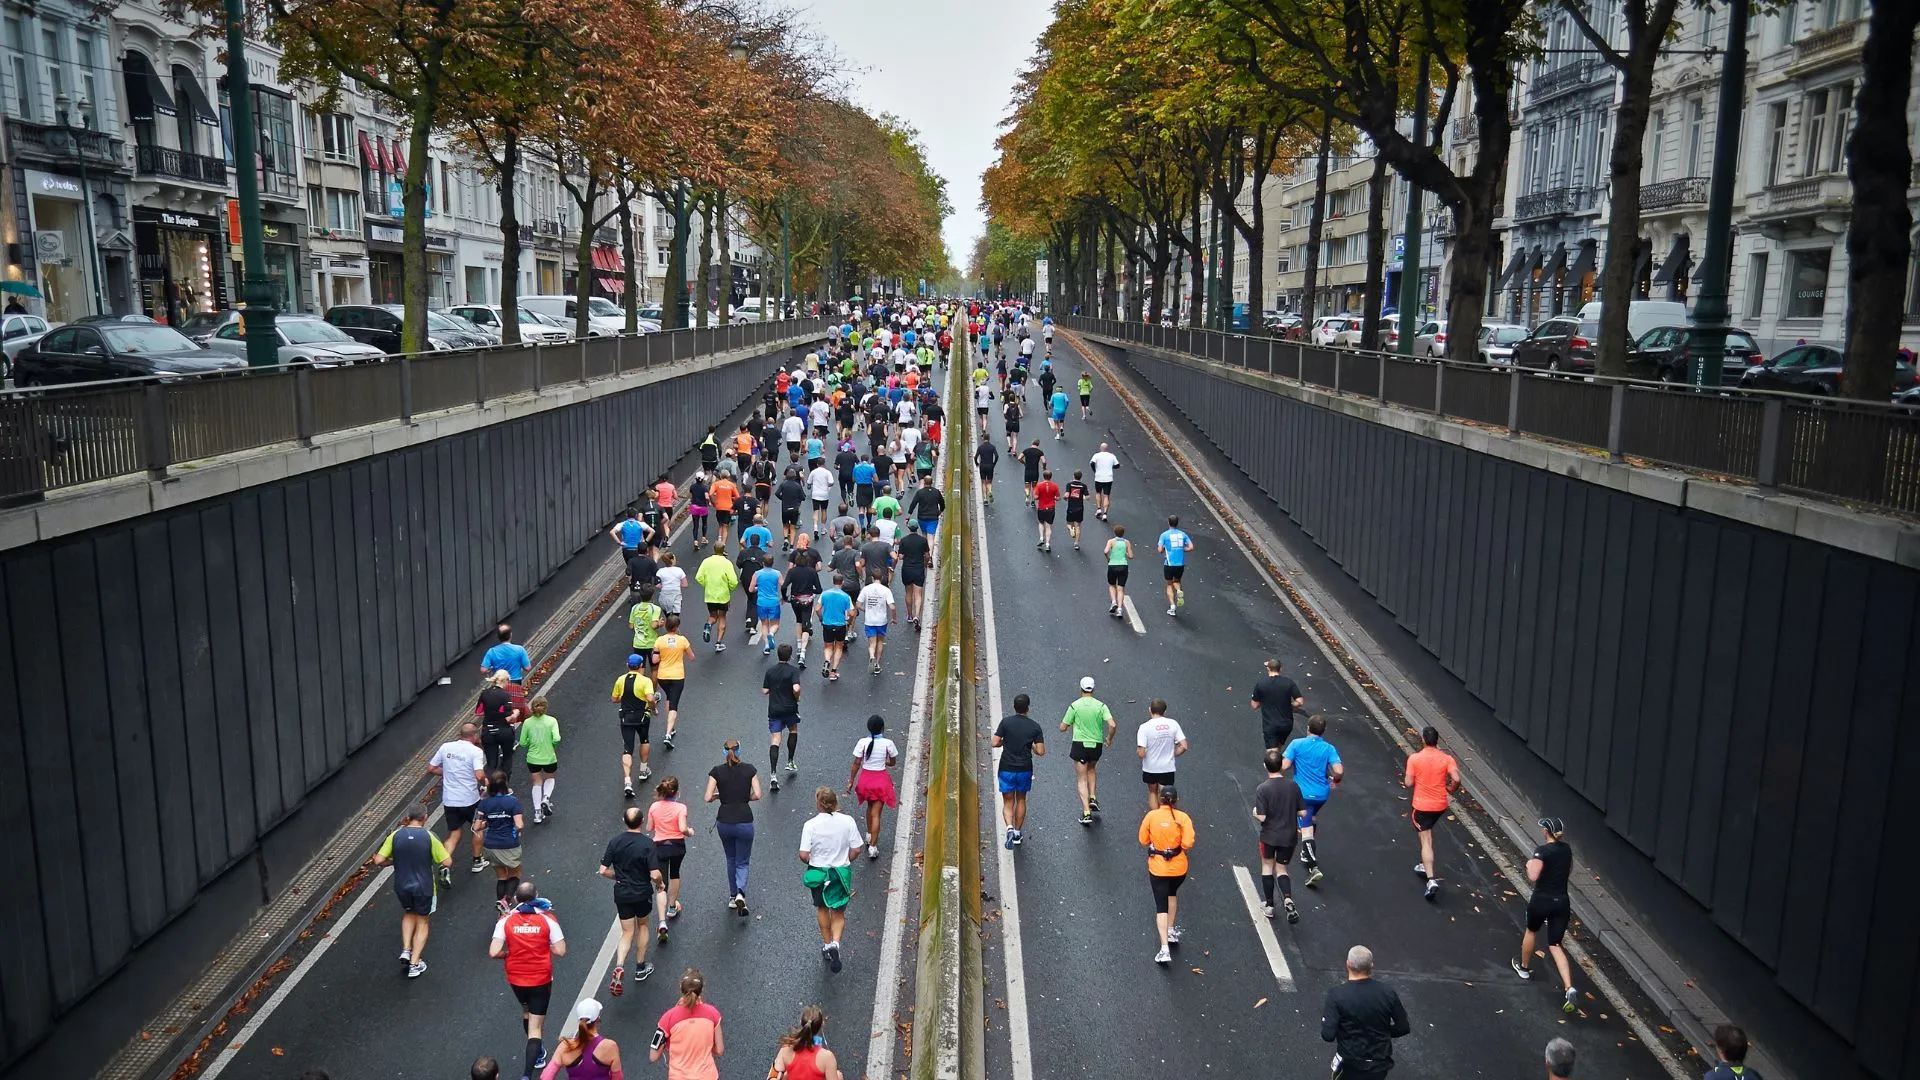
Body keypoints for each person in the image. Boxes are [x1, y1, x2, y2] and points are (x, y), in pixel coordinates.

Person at [491, 881, 567, 1080]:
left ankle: (539, 1053)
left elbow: (493, 951)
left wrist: (506, 954)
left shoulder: (505, 920)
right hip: (540, 978)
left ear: (516, 898)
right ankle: (527, 1073)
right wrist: (543, 945)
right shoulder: (548, 919)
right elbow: (560, 950)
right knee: (536, 1027)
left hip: (516, 978)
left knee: (526, 1012)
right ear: (537, 896)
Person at [1511, 816, 1579, 1013]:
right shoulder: (1566, 849)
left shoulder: (1542, 851)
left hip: (1542, 900)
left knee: (1531, 931)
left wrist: (1530, 863)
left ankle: (1523, 968)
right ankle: (1569, 987)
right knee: (1555, 945)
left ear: (1546, 832)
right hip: (1562, 902)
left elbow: (1533, 876)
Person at [373, 808, 451, 978]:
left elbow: (378, 860)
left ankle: (406, 949)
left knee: (409, 912)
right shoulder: (428, 836)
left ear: (407, 818)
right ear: (425, 818)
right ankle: (415, 964)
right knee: (423, 921)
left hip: (401, 885)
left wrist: (393, 861)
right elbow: (447, 861)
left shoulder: (395, 835)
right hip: (424, 886)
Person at [799, 787, 865, 973]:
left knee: (822, 908)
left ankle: (827, 945)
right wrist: (846, 861)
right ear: (835, 802)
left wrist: (814, 862)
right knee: (838, 911)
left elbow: (803, 854)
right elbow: (857, 849)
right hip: (840, 872)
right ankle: (836, 943)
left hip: (819, 872)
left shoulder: (810, 825)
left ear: (819, 804)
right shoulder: (848, 821)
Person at [601, 805, 665, 996]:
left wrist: (619, 877)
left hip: (622, 893)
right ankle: (640, 966)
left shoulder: (615, 842)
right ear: (642, 821)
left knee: (627, 932)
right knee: (643, 926)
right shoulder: (647, 844)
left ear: (624, 822)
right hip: (641, 892)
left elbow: (603, 870)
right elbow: (655, 874)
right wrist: (660, 885)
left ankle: (620, 965)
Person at [1320, 946, 1410, 1079]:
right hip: (1379, 1064)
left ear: (1348, 964)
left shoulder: (1337, 995)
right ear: (1371, 965)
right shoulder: (1388, 993)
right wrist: (1382, 1032)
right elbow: (1403, 1027)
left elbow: (1328, 1035)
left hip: (1350, 1062)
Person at [1281, 714, 1343, 886]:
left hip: (1302, 794)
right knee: (1311, 818)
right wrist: (1335, 780)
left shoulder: (1297, 744)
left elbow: (1284, 765)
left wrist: (1272, 766)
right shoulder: (1329, 748)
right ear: (1323, 732)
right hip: (1321, 795)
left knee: (1306, 829)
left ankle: (1313, 866)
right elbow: (1338, 770)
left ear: (1308, 728)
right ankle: (1305, 852)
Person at [1404, 726, 1461, 901]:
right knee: (1428, 832)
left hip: (1422, 806)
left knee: (1426, 840)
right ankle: (1423, 864)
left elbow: (1408, 782)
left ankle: (1430, 879)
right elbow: (1457, 779)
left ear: (1423, 739)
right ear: (1437, 740)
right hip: (1440, 805)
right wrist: (1450, 788)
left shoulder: (1415, 758)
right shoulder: (1447, 759)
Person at [1139, 785, 1195, 965]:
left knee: (1161, 905)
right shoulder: (1183, 818)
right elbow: (1188, 843)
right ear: (1176, 800)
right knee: (1172, 894)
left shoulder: (1151, 816)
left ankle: (1164, 949)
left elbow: (1143, 840)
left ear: (1161, 799)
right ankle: (1171, 930)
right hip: (1179, 868)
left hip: (1158, 868)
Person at [706, 740, 762, 915]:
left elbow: (707, 797)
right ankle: (740, 893)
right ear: (739, 751)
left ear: (724, 752)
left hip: (724, 822)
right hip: (744, 820)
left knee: (731, 858)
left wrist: (719, 796)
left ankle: (732, 896)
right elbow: (758, 795)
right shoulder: (750, 769)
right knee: (743, 861)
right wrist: (744, 797)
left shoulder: (716, 772)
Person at [429, 722, 489, 877]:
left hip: (450, 800)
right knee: (478, 827)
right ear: (475, 736)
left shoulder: (445, 747)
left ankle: (445, 865)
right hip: (470, 799)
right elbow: (479, 775)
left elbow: (432, 768)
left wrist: (448, 772)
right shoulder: (475, 752)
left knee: (454, 833)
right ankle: (477, 860)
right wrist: (486, 784)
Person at [1252, 747, 1305, 923]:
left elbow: (1262, 816)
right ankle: (1288, 898)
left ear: (1265, 766)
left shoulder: (1263, 789)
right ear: (1282, 764)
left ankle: (1269, 905)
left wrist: (1254, 812)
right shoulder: (1293, 786)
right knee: (1282, 869)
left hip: (1269, 836)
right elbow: (1303, 813)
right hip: (1289, 837)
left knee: (1267, 867)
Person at [1060, 676, 1116, 825]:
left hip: (1080, 744)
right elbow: (1112, 724)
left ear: (1081, 688)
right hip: (1096, 744)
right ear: (1093, 689)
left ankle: (1086, 812)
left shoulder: (1074, 706)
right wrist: (1109, 738)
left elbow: (1063, 727)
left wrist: (1072, 723)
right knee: (1092, 769)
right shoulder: (1101, 706)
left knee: (1081, 778)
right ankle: (1093, 797)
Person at [992, 694, 1046, 849]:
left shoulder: (1006, 723)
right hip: (1024, 769)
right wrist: (1032, 746)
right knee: (1021, 799)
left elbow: (994, 743)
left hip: (1006, 767)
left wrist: (1004, 741)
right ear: (1028, 707)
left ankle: (1009, 827)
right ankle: (1016, 832)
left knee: (1008, 801)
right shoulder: (1034, 726)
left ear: (1014, 707)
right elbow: (1041, 751)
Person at [651, 969, 724, 1080]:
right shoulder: (713, 1014)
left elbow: (653, 1056)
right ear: (702, 989)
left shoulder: (667, 1018)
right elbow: (719, 1050)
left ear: (680, 987)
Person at [845, 715, 898, 859]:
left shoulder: (862, 742)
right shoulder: (888, 743)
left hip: (865, 781)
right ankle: (873, 847)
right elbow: (893, 762)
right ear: (882, 728)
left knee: (869, 807)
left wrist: (851, 780)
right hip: (880, 781)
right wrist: (884, 762)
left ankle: (868, 834)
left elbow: (857, 762)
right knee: (876, 814)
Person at [647, 777, 691, 944]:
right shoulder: (681, 807)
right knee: (675, 874)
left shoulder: (654, 807)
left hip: (660, 847)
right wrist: (690, 831)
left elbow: (649, 828)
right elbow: (682, 828)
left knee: (661, 884)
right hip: (677, 846)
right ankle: (672, 907)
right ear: (676, 792)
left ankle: (661, 921)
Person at [476, 770, 526, 908]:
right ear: (505, 785)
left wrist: (489, 822)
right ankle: (506, 900)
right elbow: (519, 825)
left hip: (490, 846)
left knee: (501, 876)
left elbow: (477, 826)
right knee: (515, 874)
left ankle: (501, 909)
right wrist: (516, 831)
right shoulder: (512, 802)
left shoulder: (485, 803)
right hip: (509, 843)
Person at [539, 999, 620, 1080]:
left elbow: (546, 1076)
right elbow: (618, 1078)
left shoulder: (565, 1046)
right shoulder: (610, 1046)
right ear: (598, 1019)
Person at [613, 654, 659, 795]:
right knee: (644, 740)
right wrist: (653, 707)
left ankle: (627, 780)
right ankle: (643, 769)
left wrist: (625, 697)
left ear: (628, 665)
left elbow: (614, 699)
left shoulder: (621, 680)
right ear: (640, 666)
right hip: (642, 716)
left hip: (626, 717)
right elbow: (650, 698)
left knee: (627, 748)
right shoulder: (645, 681)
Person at [762, 644, 803, 789]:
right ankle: (790, 761)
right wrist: (797, 697)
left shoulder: (770, 671)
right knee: (793, 730)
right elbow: (796, 688)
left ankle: (773, 774)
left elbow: (765, 690)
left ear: (778, 655)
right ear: (790, 655)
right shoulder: (793, 671)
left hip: (774, 709)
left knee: (775, 740)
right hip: (790, 708)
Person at [1135, 699, 1188, 809]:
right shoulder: (1173, 724)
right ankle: (1168, 818)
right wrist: (1173, 754)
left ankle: (1155, 819)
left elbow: (1141, 752)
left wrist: (1142, 754)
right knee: (1166, 794)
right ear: (1165, 711)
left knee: (1153, 792)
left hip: (1151, 768)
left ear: (1150, 710)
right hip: (1167, 767)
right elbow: (1184, 746)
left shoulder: (1144, 727)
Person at [651, 615, 693, 749]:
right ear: (677, 627)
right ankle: (668, 734)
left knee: (669, 698)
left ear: (665, 626)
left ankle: (672, 727)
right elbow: (692, 657)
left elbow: (654, 660)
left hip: (663, 677)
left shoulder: (659, 640)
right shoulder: (682, 640)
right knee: (674, 705)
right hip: (677, 676)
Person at [767, 1007, 842, 1080]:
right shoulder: (827, 1057)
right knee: (838, 1075)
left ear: (801, 1022)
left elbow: (773, 1076)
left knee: (785, 1074)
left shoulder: (786, 1048)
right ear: (821, 1025)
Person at [518, 697, 561, 824]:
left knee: (536, 783)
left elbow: (522, 742)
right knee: (550, 778)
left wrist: (529, 744)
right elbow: (557, 738)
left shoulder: (527, 723)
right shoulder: (551, 721)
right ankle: (546, 798)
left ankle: (537, 812)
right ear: (546, 707)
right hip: (549, 756)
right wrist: (552, 744)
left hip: (533, 758)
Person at [1251, 658, 1306, 750]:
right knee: (1278, 748)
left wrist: (1264, 700)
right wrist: (1290, 705)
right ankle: (1277, 761)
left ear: (1268, 669)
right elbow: (1300, 701)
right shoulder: (1289, 682)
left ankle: (1273, 763)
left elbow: (1254, 705)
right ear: (1280, 669)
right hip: (1287, 724)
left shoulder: (1261, 684)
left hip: (1270, 724)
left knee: (1272, 753)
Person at [783, 542, 822, 668]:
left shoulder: (792, 572)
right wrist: (811, 590)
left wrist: (785, 597)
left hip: (795, 600)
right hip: (807, 601)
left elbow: (784, 586)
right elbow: (819, 589)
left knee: (798, 621)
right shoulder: (812, 572)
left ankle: (799, 645)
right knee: (806, 624)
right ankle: (803, 653)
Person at [480, 670, 525, 778]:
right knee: (507, 759)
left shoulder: (484, 693)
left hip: (488, 731)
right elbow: (509, 717)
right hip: (504, 731)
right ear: (505, 680)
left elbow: (478, 712)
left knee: (491, 763)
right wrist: (516, 713)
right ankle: (504, 787)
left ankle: (488, 787)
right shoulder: (505, 695)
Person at [694, 547, 739, 651]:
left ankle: (708, 625)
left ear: (714, 549)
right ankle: (718, 643)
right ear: (723, 550)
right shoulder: (727, 563)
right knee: (722, 617)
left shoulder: (706, 561)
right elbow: (733, 581)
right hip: (723, 595)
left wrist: (707, 585)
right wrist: (729, 589)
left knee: (713, 615)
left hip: (710, 595)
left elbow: (698, 577)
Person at [856, 571, 895, 675]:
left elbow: (858, 604)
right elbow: (892, 607)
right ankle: (877, 663)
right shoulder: (886, 590)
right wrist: (894, 618)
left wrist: (866, 610)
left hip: (869, 620)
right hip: (881, 620)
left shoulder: (866, 589)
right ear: (881, 578)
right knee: (880, 642)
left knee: (872, 643)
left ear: (872, 578)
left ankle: (871, 656)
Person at [896, 520, 931, 630]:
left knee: (908, 592)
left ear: (909, 528)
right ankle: (917, 616)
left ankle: (910, 615)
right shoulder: (923, 540)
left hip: (907, 569)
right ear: (917, 528)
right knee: (918, 594)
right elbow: (927, 555)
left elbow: (900, 557)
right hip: (918, 569)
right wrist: (925, 564)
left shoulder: (904, 540)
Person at [1156, 516, 1194, 615]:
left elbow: (1160, 550)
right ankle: (1178, 590)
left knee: (1169, 584)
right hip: (1180, 564)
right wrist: (1182, 549)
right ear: (1177, 523)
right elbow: (1191, 547)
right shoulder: (1183, 534)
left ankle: (1172, 606)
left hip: (1169, 563)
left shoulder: (1164, 535)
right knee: (1176, 581)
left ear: (1168, 522)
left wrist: (1165, 548)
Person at [751, 558, 784, 656]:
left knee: (764, 624)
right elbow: (783, 585)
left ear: (763, 563)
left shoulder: (757, 573)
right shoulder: (777, 573)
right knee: (775, 624)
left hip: (761, 602)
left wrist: (758, 588)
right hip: (774, 602)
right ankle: (772, 633)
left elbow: (751, 589)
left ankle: (766, 646)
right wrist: (783, 597)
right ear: (772, 563)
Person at [1103, 525, 1134, 618]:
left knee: (1112, 585)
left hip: (1112, 565)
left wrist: (1108, 558)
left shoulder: (1111, 541)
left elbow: (1105, 551)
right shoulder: (1126, 542)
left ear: (1114, 532)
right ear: (1123, 533)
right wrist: (1125, 553)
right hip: (1123, 566)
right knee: (1120, 588)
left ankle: (1113, 602)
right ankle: (1120, 609)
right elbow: (1131, 556)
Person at [906, 475, 945, 540]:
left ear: (924, 482)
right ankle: (930, 549)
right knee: (931, 536)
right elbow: (942, 503)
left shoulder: (919, 492)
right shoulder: (936, 492)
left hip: (922, 517)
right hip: (933, 517)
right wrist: (940, 511)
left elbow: (913, 504)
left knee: (924, 534)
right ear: (931, 482)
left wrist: (909, 515)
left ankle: (925, 549)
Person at [1088, 443, 1119, 520]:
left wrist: (1095, 470)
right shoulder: (1111, 456)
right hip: (1108, 478)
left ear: (1100, 448)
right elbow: (1117, 465)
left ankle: (1099, 509)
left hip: (1099, 477)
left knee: (1098, 493)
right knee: (1106, 495)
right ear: (1107, 448)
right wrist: (1111, 466)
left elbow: (1092, 463)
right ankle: (1105, 514)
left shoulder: (1096, 455)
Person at [1032, 470, 1060, 552]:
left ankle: (1041, 538)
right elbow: (1058, 498)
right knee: (1048, 526)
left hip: (1041, 508)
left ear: (1043, 476)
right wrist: (1053, 498)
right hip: (1051, 508)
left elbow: (1036, 497)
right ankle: (1047, 544)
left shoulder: (1039, 485)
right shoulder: (1055, 486)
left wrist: (1040, 496)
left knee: (1041, 523)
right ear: (1051, 476)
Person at [655, 552, 688, 620]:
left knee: (668, 618)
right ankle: (674, 629)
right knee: (675, 619)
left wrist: (664, 585)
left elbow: (657, 585)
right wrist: (676, 584)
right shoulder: (679, 570)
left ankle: (669, 628)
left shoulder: (660, 571)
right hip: (676, 597)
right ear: (672, 560)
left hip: (664, 597)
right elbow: (685, 584)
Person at [1063, 470, 1089, 549]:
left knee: (1068, 523)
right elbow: (1088, 497)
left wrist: (1065, 498)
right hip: (1080, 508)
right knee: (1077, 526)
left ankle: (1071, 529)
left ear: (1073, 476)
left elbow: (1066, 495)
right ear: (1081, 477)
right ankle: (1076, 543)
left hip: (1071, 507)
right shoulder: (1083, 486)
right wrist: (1083, 497)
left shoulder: (1069, 484)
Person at [1019, 440, 1046, 505]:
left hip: (1027, 471)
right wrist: (1044, 468)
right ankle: (1033, 501)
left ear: (1032, 443)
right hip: (1035, 472)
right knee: (1034, 487)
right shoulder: (1040, 452)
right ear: (1038, 444)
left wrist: (1024, 463)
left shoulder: (1026, 450)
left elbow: (1019, 458)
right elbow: (1044, 461)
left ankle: (1027, 495)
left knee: (1027, 486)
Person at [973, 434, 999, 503]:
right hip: (990, 466)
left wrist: (977, 463)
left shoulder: (980, 447)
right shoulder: (992, 447)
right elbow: (996, 456)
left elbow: (975, 457)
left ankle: (985, 498)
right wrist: (994, 464)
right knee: (989, 482)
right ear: (989, 438)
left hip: (982, 466)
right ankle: (990, 491)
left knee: (983, 482)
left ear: (983, 438)